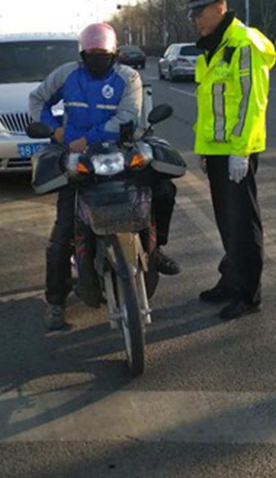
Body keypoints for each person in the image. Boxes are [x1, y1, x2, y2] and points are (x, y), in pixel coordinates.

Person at [29, 22, 180, 330]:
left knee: (163, 191)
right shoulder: (67, 74)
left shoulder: (128, 77)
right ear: (82, 54)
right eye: (91, 53)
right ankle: (56, 302)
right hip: (77, 156)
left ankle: (157, 247)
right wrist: (56, 130)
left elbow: (127, 116)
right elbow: (37, 100)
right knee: (63, 232)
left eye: (104, 53)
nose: (97, 58)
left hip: (120, 150)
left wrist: (90, 137)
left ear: (115, 54)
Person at [180, 0, 276, 321]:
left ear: (219, 8)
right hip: (219, 151)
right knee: (226, 222)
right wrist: (206, 151)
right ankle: (231, 280)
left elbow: (252, 104)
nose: (195, 20)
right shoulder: (216, 46)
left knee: (244, 223)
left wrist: (240, 152)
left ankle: (249, 294)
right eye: (192, 13)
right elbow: (212, 107)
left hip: (238, 151)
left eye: (199, 13)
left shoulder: (243, 44)